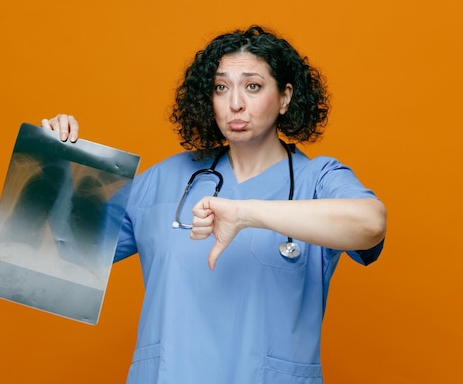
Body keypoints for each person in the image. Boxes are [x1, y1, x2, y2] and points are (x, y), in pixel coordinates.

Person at [42, 25, 387, 384]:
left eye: (252, 86)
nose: (235, 103)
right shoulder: (166, 179)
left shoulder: (318, 179)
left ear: (285, 97)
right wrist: (54, 160)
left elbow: (371, 224)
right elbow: (67, 249)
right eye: (221, 87)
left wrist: (246, 213)